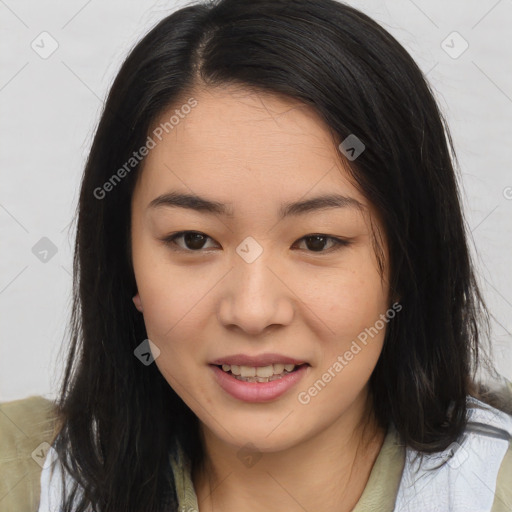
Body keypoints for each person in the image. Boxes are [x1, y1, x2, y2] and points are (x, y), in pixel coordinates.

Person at [2, 0, 511, 511]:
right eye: (193, 240)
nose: (251, 311)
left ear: (409, 262)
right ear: (123, 259)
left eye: (316, 241)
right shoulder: (20, 477)